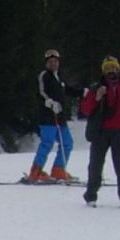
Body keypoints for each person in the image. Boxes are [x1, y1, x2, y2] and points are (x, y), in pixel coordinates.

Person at [79, 57, 120, 208]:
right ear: (103, 71)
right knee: (95, 166)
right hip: (100, 133)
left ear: (118, 70)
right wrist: (97, 98)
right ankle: (90, 197)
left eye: (113, 68)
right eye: (108, 68)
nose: (111, 71)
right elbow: (85, 109)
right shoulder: (96, 88)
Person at [28, 49, 83, 182]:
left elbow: (67, 89)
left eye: (55, 61)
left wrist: (83, 92)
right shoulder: (44, 76)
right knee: (47, 143)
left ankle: (58, 169)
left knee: (67, 143)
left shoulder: (59, 77)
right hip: (48, 117)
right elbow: (41, 92)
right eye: (50, 62)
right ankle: (36, 171)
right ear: (46, 63)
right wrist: (49, 102)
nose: (53, 64)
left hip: (60, 117)